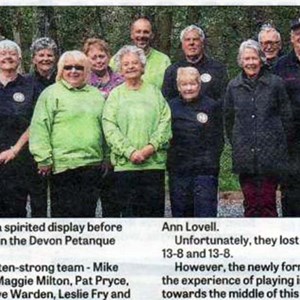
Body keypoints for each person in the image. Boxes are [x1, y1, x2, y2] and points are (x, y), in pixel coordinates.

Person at [29, 50, 105, 217]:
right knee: (64, 218)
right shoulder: (50, 93)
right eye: (68, 67)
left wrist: (107, 156)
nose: (73, 71)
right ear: (61, 69)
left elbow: (105, 128)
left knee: (87, 216)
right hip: (62, 166)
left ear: (86, 70)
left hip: (92, 164)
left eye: (79, 67)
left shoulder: (96, 95)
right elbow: (40, 127)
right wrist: (43, 158)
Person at [224, 39, 292, 217]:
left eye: (254, 58)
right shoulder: (233, 86)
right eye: (246, 59)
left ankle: (269, 241)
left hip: (270, 156)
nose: (250, 63)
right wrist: (239, 142)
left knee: (268, 204)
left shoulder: (275, 84)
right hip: (245, 156)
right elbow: (229, 120)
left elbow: (286, 119)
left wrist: (278, 145)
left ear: (261, 59)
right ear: (240, 61)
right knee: (251, 204)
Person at [102, 45, 171, 217]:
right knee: (129, 219)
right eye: (126, 64)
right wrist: (130, 152)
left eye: (135, 63)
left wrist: (150, 148)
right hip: (125, 167)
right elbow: (109, 127)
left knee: (153, 219)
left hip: (153, 165)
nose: (131, 66)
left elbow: (165, 122)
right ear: (120, 69)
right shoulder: (115, 95)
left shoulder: (155, 93)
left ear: (143, 67)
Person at [167, 67, 223, 217]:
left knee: (205, 216)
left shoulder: (211, 106)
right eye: (184, 85)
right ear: (178, 87)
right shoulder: (171, 107)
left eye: (192, 84)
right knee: (181, 215)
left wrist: (210, 165)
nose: (189, 88)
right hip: (179, 171)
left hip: (204, 171)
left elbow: (217, 140)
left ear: (199, 84)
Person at [0, 39, 41, 217]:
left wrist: (14, 150)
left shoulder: (30, 85)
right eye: (2, 53)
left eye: (12, 53)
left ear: (19, 58)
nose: (7, 56)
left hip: (20, 159)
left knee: (15, 212)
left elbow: (37, 121)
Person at [83, 37, 124, 217]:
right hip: (90, 147)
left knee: (113, 206)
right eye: (94, 57)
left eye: (102, 56)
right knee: (87, 205)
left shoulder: (121, 81)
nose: (99, 60)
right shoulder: (80, 80)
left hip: (115, 147)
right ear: (86, 59)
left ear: (109, 56)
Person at [162, 25, 227, 103]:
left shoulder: (218, 69)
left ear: (202, 43)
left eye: (195, 39)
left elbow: (223, 100)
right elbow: (167, 100)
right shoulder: (172, 71)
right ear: (182, 45)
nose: (191, 43)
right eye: (187, 40)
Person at [274, 18, 300, 217]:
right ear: (291, 38)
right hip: (290, 143)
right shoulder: (281, 66)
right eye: (297, 32)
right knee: (291, 196)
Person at [111, 17, 171, 89]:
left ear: (152, 35)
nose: (141, 36)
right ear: (132, 35)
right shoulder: (118, 59)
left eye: (146, 32)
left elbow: (169, 89)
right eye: (138, 32)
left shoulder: (163, 60)